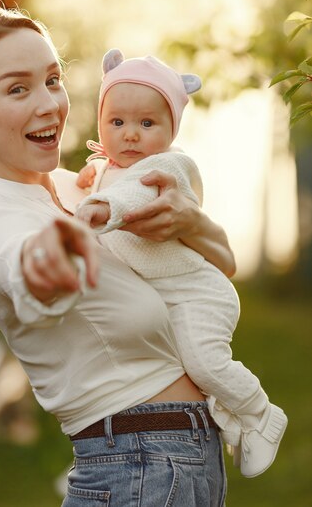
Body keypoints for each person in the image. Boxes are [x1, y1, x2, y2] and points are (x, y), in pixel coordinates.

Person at [0, 4, 237, 506]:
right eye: (18, 88)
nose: (49, 103)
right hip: (137, 467)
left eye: (53, 80)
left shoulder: (85, 190)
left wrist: (191, 222)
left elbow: (222, 265)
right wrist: (49, 260)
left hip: (183, 461)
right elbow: (26, 268)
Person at [75, 48, 288, 478]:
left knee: (206, 361)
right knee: (189, 363)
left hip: (199, 293)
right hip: (169, 298)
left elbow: (134, 196)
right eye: (117, 122)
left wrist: (99, 208)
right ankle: (230, 417)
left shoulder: (167, 166)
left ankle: (261, 414)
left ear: (172, 129)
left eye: (147, 123)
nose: (130, 135)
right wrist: (91, 178)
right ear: (101, 122)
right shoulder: (106, 170)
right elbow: (107, 180)